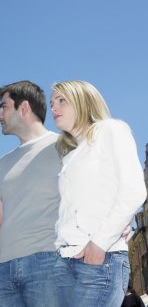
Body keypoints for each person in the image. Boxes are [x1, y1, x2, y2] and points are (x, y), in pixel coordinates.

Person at [50, 80, 146, 307]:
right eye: (51, 103)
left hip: (100, 258)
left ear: (83, 100)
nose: (53, 108)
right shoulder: (69, 156)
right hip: (66, 260)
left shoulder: (111, 129)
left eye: (61, 100)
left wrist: (99, 245)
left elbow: (133, 190)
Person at [0, 80, 62, 306]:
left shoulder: (63, 146)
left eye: (4, 106)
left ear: (24, 108)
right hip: (2, 273)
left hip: (47, 262)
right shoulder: (1, 164)